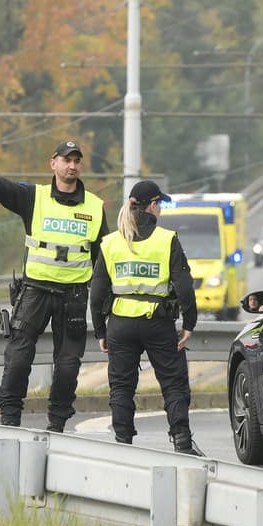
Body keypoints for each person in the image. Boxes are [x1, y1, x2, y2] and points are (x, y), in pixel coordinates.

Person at [0, 141, 109, 432]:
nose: (72, 165)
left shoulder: (95, 207)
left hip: (73, 295)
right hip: (35, 291)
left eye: (76, 160)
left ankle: (56, 425)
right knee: (19, 357)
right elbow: (0, 187)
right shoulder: (35, 197)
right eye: (66, 160)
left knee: (69, 365)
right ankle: (10, 420)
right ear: (53, 163)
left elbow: (103, 260)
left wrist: (105, 305)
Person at [89, 180, 202, 455]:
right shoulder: (167, 240)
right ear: (152, 205)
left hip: (120, 325)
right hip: (158, 323)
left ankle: (123, 443)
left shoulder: (110, 243)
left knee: (121, 386)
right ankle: (182, 441)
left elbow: (97, 292)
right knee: (173, 383)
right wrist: (189, 325)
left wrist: (101, 332)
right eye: (159, 204)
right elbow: (185, 288)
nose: (160, 209)